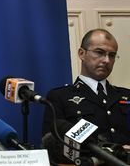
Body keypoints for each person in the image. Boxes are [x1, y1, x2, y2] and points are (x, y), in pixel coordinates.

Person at [42, 29, 130, 163]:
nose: (106, 60)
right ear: (82, 54)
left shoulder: (126, 95)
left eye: (111, 55)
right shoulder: (60, 96)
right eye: (99, 52)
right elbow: (53, 147)